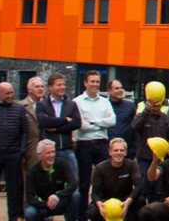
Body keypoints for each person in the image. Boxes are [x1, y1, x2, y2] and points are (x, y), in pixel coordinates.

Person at [0, 81, 29, 221]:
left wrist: (20, 152)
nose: (11, 95)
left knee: (13, 191)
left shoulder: (19, 109)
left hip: (13, 156)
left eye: (12, 92)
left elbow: (24, 132)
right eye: (7, 93)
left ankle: (13, 218)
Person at [75, 71, 114, 221]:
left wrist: (93, 122)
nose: (95, 85)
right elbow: (81, 125)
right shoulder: (77, 102)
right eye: (92, 81)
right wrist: (101, 123)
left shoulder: (105, 101)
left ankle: (104, 213)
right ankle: (82, 216)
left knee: (104, 181)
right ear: (85, 83)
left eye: (97, 82)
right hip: (84, 145)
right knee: (84, 184)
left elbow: (112, 121)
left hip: (102, 145)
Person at [37, 73, 83, 174]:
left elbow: (77, 123)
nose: (62, 87)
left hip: (67, 149)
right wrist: (65, 119)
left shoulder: (71, 104)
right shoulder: (42, 105)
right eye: (59, 85)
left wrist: (57, 129)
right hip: (50, 152)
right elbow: (44, 121)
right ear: (50, 87)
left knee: (73, 180)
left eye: (63, 84)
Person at [88, 138, 142, 221]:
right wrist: (99, 204)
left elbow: (138, 186)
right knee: (92, 212)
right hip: (106, 200)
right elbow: (94, 193)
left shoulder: (132, 164)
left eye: (121, 150)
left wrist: (128, 201)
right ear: (110, 152)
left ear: (126, 152)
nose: (118, 153)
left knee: (141, 201)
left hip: (125, 199)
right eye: (115, 150)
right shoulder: (100, 167)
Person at [25, 139, 79, 221]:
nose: (52, 155)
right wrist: (45, 204)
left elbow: (73, 184)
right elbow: (30, 196)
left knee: (76, 196)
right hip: (42, 206)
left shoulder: (62, 164)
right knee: (29, 213)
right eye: (48, 153)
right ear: (39, 155)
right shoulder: (32, 172)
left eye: (53, 152)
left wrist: (57, 196)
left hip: (59, 201)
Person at [24, 77, 48, 168]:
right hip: (30, 149)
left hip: (49, 149)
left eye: (42, 86)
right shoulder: (21, 107)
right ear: (29, 90)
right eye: (37, 86)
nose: (41, 89)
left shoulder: (50, 105)